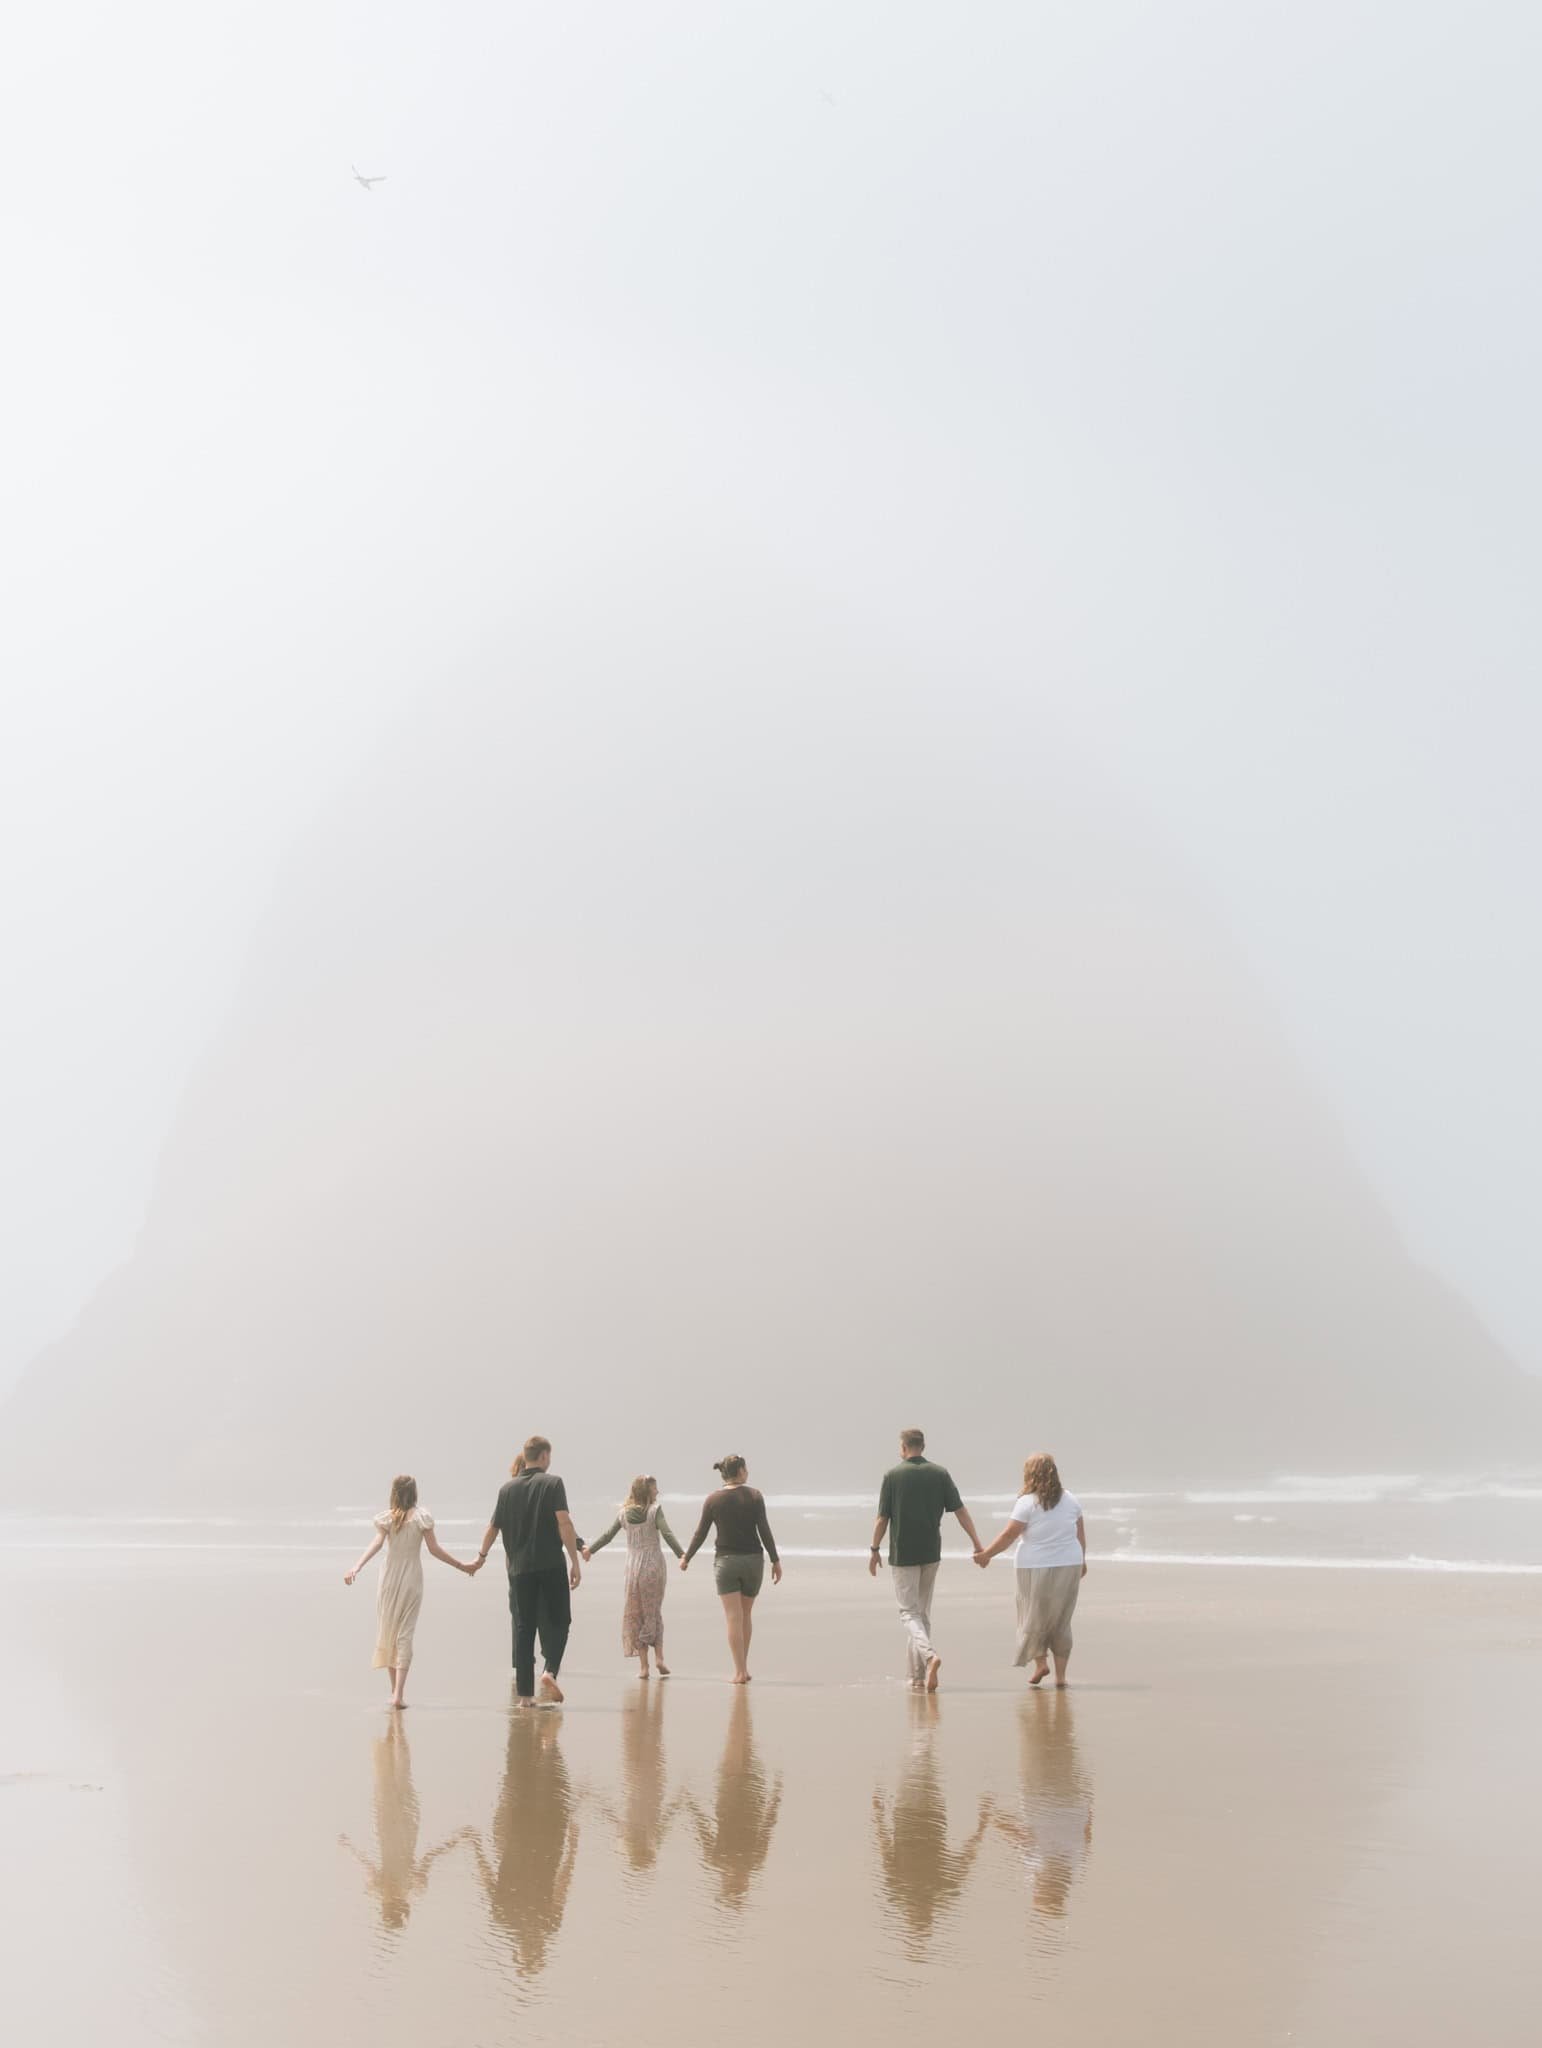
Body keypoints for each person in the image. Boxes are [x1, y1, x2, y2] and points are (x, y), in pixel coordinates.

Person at [343, 1474, 479, 1707]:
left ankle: (394, 1692)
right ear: (414, 1493)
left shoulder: (388, 1519)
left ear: (393, 1493)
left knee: (388, 1631)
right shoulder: (421, 1518)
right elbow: (434, 1550)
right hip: (412, 1579)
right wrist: (462, 1566)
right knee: (405, 1633)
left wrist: (357, 1566)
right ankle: (398, 1694)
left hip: (388, 1578)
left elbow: (376, 1544)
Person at [868, 1427, 984, 1692]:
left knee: (909, 1613)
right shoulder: (939, 1474)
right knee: (922, 1614)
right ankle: (916, 1677)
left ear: (904, 1447)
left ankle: (930, 1656)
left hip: (904, 1553)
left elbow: (882, 1518)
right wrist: (976, 1542)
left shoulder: (893, 1476)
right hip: (931, 1552)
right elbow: (960, 1511)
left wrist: (874, 1550)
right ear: (923, 1446)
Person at [476, 1436, 583, 1708]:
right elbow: (564, 1523)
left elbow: (493, 1528)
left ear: (525, 1457)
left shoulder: (506, 1490)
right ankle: (549, 1671)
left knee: (524, 1629)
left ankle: (525, 1697)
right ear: (544, 1456)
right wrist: (575, 1560)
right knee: (560, 1621)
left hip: (519, 1569)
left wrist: (481, 1557)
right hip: (550, 1565)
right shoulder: (553, 1483)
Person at [973, 1453, 1088, 1686]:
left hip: (1034, 1566)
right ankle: (1061, 1677)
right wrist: (1082, 1561)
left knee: (1032, 1615)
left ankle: (1040, 1663)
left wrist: (987, 1555)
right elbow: (1080, 1535)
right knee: (1061, 1619)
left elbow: (1009, 1535)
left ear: (1030, 1474)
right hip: (1069, 1564)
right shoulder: (1071, 1500)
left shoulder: (1027, 1502)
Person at [680, 1454, 781, 1684]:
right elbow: (764, 1530)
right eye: (746, 1468)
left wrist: (687, 1557)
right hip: (753, 1561)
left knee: (733, 1617)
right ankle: (744, 1668)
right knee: (745, 1615)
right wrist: (775, 1560)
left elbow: (701, 1532)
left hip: (726, 1561)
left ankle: (739, 1671)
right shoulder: (755, 1496)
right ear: (741, 1471)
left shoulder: (713, 1500)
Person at [582, 1475, 684, 1678]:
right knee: (653, 1610)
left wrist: (589, 1551)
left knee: (637, 1612)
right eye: (655, 1489)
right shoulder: (655, 1511)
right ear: (647, 1492)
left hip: (632, 1568)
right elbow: (667, 1533)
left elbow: (607, 1536)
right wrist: (682, 1554)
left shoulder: (623, 1514)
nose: (657, 1492)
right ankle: (660, 1659)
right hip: (653, 1566)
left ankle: (644, 1667)